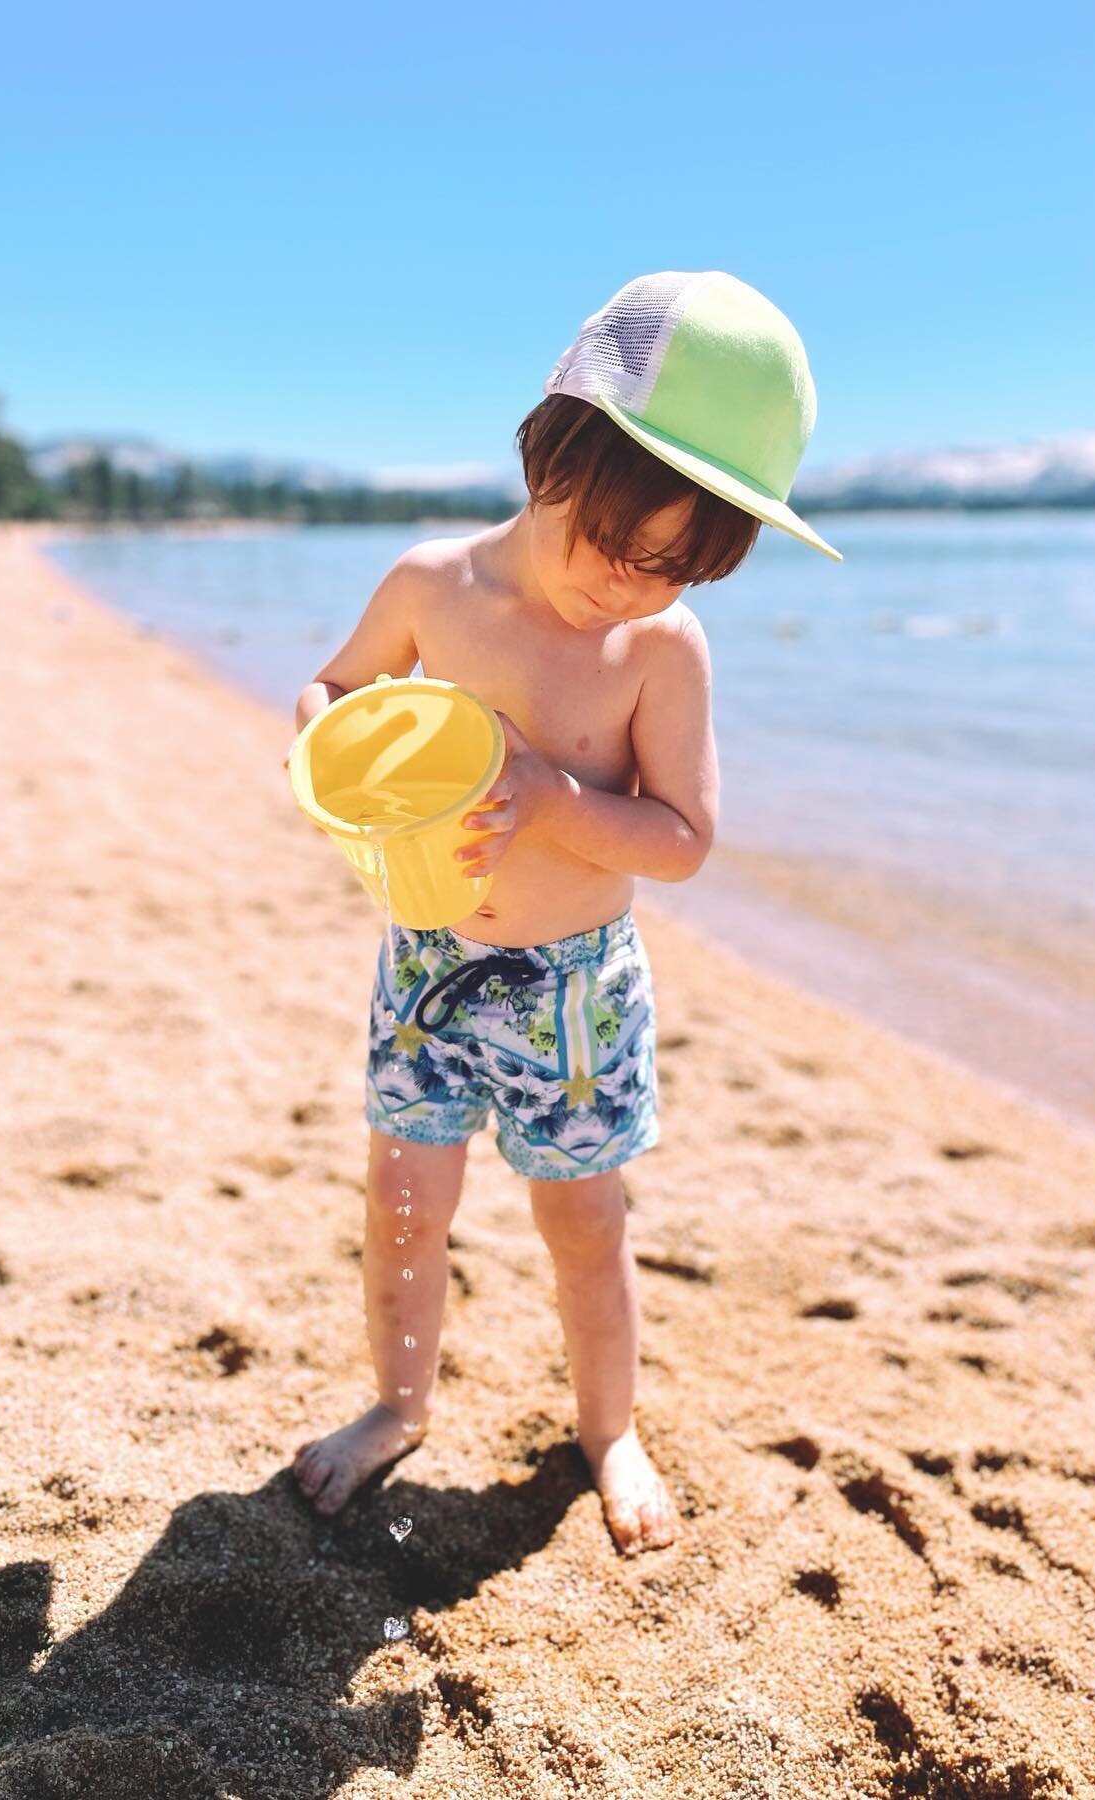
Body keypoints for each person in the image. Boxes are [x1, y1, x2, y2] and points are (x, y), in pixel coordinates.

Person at [290, 271, 841, 1556]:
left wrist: (546, 798)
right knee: (405, 1200)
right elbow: (335, 685)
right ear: (556, 453)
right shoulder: (435, 586)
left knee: (582, 1222)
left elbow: (686, 838)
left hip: (576, 990)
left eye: (677, 572)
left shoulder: (661, 652)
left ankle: (610, 1429)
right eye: (621, 548)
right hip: (428, 965)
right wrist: (322, 748)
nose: (633, 589)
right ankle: (396, 1407)